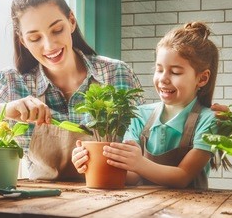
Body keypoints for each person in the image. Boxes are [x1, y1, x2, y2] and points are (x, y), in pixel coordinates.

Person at [0, 0, 145, 181]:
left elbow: (143, 156)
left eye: (57, 30)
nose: (49, 46)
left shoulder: (116, 74)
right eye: (35, 38)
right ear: (23, 40)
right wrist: (5, 110)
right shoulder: (14, 83)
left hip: (114, 200)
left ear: (71, 21)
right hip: (43, 205)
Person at [72, 22, 220, 189]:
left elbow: (183, 176)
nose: (163, 78)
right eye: (159, 70)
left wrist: (139, 163)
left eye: (175, 72)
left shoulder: (209, 121)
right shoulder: (139, 115)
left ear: (202, 79)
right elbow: (132, 177)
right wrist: (90, 161)